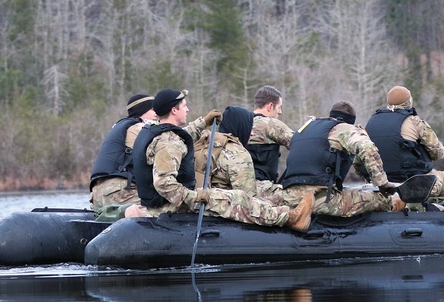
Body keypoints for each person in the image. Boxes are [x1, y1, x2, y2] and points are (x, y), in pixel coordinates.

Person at [124, 88, 314, 232]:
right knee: (238, 197)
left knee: (223, 194)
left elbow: (182, 137)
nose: (188, 109)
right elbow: (164, 184)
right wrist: (196, 196)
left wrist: (203, 122)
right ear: (174, 110)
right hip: (171, 205)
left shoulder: (153, 131)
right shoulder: (169, 142)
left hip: (162, 201)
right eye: (184, 106)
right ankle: (290, 218)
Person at [275, 101, 407, 216]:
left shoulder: (305, 128)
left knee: (348, 191)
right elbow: (368, 148)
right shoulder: (344, 128)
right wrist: (382, 184)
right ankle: (393, 206)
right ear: (351, 121)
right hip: (320, 201)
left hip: (290, 197)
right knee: (380, 199)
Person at [365, 85, 444, 199]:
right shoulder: (414, 121)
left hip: (379, 184)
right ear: (409, 102)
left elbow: (360, 161)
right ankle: (426, 208)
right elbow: (438, 153)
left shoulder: (371, 122)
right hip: (409, 184)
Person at [88, 93, 156, 215]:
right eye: (152, 109)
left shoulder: (119, 127)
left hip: (97, 194)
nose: (157, 113)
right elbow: (170, 143)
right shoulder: (140, 128)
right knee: (163, 210)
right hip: (119, 192)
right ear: (142, 110)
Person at [248, 85, 294, 183]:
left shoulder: (242, 123)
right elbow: (298, 143)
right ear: (270, 106)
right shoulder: (271, 124)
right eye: (279, 107)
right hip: (264, 188)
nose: (280, 112)